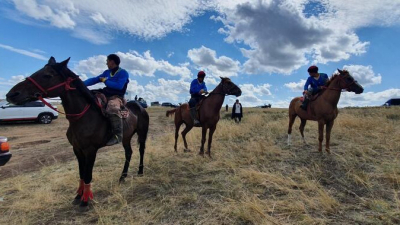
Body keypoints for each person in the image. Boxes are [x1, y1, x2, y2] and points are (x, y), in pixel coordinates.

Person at [84, 54, 129, 146]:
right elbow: (95, 79)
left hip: (117, 96)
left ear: (112, 62)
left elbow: (119, 86)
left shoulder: (123, 73)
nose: (106, 63)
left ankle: (117, 136)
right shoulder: (106, 72)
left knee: (112, 107)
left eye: (107, 61)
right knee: (89, 97)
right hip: (105, 93)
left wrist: (105, 81)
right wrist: (80, 84)